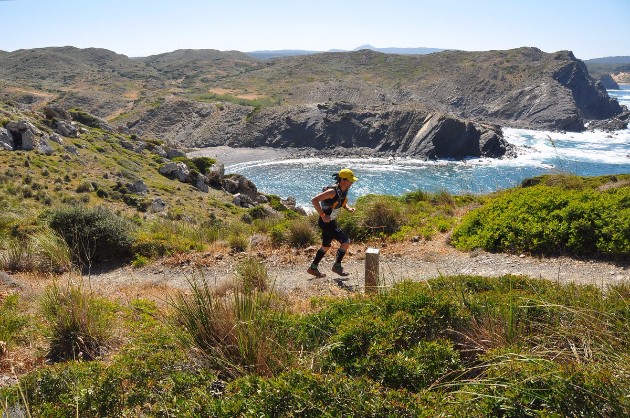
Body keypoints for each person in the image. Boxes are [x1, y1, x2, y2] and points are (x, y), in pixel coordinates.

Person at [307, 168, 358, 278]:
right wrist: (323, 215)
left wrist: (348, 208)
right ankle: (337, 266)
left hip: (331, 222)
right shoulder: (332, 191)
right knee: (346, 241)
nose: (352, 182)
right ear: (343, 180)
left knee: (325, 246)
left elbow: (341, 202)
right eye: (350, 180)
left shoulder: (344, 190)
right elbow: (314, 200)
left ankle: (313, 268)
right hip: (326, 223)